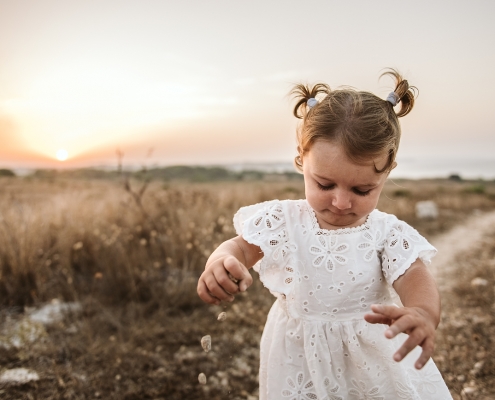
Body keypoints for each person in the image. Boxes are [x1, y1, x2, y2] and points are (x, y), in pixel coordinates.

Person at [197, 69, 452, 399]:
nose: (341, 202)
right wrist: (223, 259)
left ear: (387, 171)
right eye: (325, 184)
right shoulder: (284, 220)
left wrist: (422, 313)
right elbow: (241, 250)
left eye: (362, 189)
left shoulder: (385, 232)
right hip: (298, 357)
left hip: (373, 362)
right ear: (302, 160)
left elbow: (414, 276)